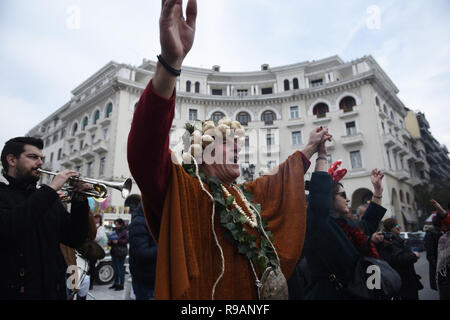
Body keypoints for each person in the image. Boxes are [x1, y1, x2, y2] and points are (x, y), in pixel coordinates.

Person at [127, 0, 329, 299]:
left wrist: (310, 150)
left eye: (238, 143)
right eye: (227, 143)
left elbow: (278, 181)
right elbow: (145, 148)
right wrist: (170, 65)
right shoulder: (180, 188)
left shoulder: (246, 197)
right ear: (202, 154)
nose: (238, 147)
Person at [0, 137, 91, 299]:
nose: (40, 163)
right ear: (12, 160)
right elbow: (11, 226)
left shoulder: (47, 199)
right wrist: (51, 188)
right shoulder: (5, 194)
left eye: (41, 158)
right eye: (33, 157)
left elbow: (75, 238)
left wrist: (80, 201)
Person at [302, 136, 387, 299]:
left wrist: (377, 192)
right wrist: (321, 155)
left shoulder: (347, 226)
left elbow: (368, 224)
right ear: (329, 198)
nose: (348, 199)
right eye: (343, 195)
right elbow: (318, 197)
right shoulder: (320, 224)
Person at [376, 217, 423, 300]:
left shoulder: (394, 239)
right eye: (397, 225)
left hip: (404, 280)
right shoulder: (392, 240)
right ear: (391, 228)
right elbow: (399, 258)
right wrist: (414, 256)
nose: (399, 227)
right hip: (404, 282)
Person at [129, 203, 158, 300]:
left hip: (151, 279)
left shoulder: (149, 220)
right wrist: (165, 247)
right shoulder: (139, 222)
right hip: (146, 282)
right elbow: (141, 253)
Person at [108, 218, 129, 291]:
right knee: (115, 269)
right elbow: (111, 241)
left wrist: (118, 241)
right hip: (114, 252)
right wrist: (110, 242)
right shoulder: (114, 231)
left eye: (117, 224)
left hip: (121, 252)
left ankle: (121, 285)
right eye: (115, 224)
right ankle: (116, 283)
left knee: (120, 269)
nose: (116, 225)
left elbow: (126, 240)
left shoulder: (124, 231)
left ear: (121, 224)